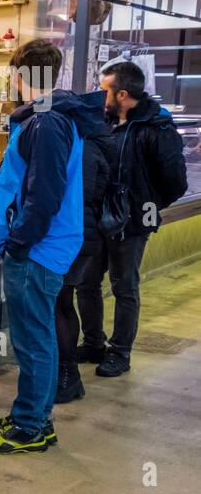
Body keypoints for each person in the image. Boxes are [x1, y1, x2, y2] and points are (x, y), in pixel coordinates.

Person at [0, 40, 106, 455]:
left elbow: (44, 195)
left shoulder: (47, 122)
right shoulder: (50, 117)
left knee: (32, 340)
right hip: (41, 246)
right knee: (38, 336)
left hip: (37, 249)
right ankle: (32, 416)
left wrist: (18, 242)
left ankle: (31, 425)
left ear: (20, 76)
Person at [74, 61, 188, 378]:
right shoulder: (102, 123)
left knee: (124, 287)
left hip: (132, 223)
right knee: (86, 283)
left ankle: (120, 352)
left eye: (104, 89)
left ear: (122, 94)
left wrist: (141, 205)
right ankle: (93, 342)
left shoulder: (156, 128)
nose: (99, 95)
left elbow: (176, 181)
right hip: (97, 218)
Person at [53, 101, 114, 403]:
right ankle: (65, 373)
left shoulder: (84, 149)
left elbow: (74, 196)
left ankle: (67, 375)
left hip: (74, 236)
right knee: (63, 302)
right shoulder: (95, 143)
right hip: (84, 237)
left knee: (60, 303)